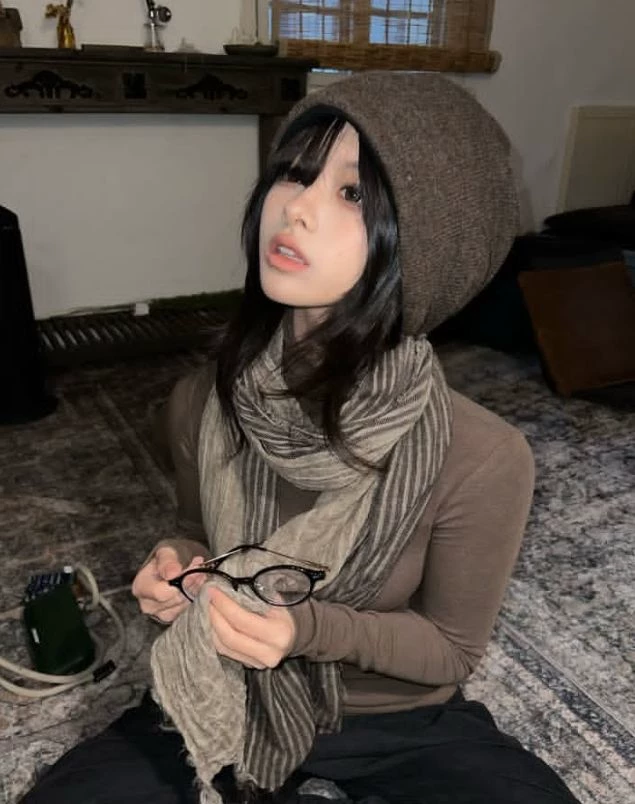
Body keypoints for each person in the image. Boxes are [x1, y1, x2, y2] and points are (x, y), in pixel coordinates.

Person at [20, 72, 580, 804]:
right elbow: (196, 530)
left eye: (351, 193)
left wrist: (305, 630)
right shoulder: (203, 400)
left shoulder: (482, 456)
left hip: (393, 720)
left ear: (433, 244)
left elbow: (449, 649)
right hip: (223, 686)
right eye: (293, 172)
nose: (296, 208)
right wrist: (178, 564)